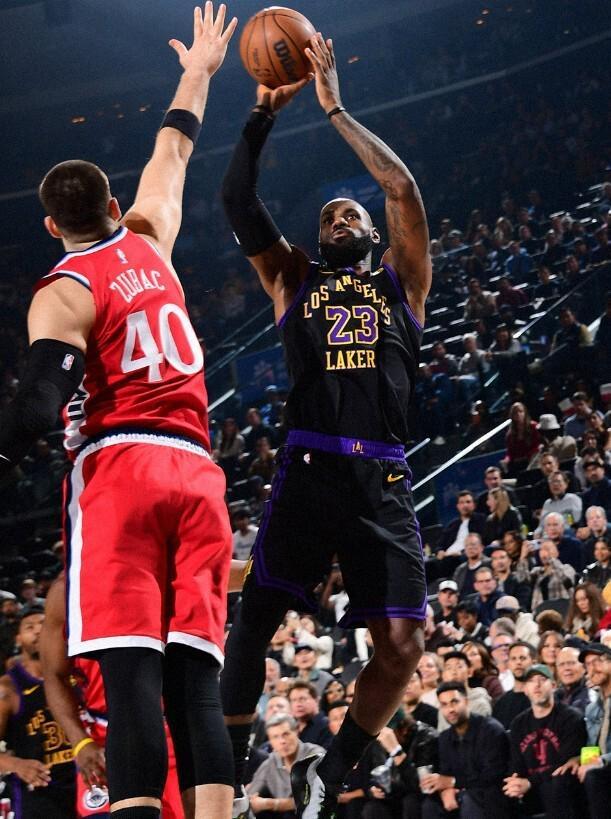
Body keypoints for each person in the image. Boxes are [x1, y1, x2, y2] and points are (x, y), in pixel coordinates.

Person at [0, 6, 239, 818]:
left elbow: (37, 406)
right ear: (111, 200)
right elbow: (174, 147)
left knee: (132, 673)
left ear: (51, 226)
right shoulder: (151, 234)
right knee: (195, 681)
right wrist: (198, 71)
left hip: (121, 468)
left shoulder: (64, 290)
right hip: (198, 471)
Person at [220, 31, 432, 819]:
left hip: (380, 474)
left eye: (351, 213)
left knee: (403, 647)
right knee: (255, 616)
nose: (339, 216)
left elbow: (401, 187)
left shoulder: (402, 281)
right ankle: (224, 774)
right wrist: (259, 116)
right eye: (328, 215)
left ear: (373, 236)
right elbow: (237, 202)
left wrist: (334, 108)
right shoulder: (293, 276)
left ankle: (329, 771)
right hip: (309, 467)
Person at [40, 574, 184, 819]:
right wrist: (80, 742)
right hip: (104, 738)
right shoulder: (66, 589)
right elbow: (53, 675)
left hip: (174, 730)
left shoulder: (171, 568)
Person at [0, 604, 76, 818]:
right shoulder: (8, 688)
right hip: (40, 792)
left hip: (87, 782)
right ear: (18, 639)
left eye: (43, 624)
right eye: (29, 626)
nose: (37, 630)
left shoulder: (78, 672)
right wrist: (16, 764)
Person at [503, 665, 586, 818]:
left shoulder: (571, 718)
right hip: (530, 787)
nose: (537, 685)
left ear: (553, 685)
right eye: (531, 681)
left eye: (542, 679)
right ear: (525, 689)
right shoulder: (518, 724)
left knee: (558, 783)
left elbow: (564, 764)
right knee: (501, 793)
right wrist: (515, 782)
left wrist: (529, 782)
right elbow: (516, 762)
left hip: (560, 785)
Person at [420, 682, 510, 819]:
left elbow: (493, 775)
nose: (450, 709)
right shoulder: (445, 738)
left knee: (470, 799)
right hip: (462, 793)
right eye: (444, 705)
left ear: (466, 702)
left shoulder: (491, 730)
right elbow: (446, 773)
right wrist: (446, 791)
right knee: (430, 805)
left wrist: (453, 782)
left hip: (491, 795)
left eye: (454, 702)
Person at [246, 714, 325, 818]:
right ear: (270, 741)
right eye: (275, 737)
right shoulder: (271, 762)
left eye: (286, 734)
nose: (282, 741)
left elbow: (316, 799)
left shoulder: (315, 755)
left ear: (296, 731)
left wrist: (270, 804)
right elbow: (251, 795)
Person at [578, 643, 611, 819]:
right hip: (602, 770)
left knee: (594, 776)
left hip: (605, 765)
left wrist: (602, 761)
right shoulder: (592, 709)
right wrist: (578, 760)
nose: (592, 668)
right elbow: (592, 747)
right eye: (588, 664)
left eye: (597, 661)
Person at [437, 653, 491, 730]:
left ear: (469, 672)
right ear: (443, 675)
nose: (453, 672)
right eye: (448, 668)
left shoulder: (480, 703)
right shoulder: (443, 707)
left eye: (459, 667)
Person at [491, 641, 536, 729]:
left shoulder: (541, 698)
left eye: (522, 658)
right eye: (513, 659)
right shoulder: (501, 703)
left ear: (534, 663)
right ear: (508, 664)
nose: (518, 662)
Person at [288, 682, 333, 750]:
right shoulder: (290, 728)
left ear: (317, 700)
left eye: (302, 699)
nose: (298, 704)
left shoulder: (328, 725)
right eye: (294, 700)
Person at [554, 646, 590, 713]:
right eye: (561, 664)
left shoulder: (591, 694)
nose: (566, 668)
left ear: (584, 667)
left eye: (571, 663)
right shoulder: (555, 696)